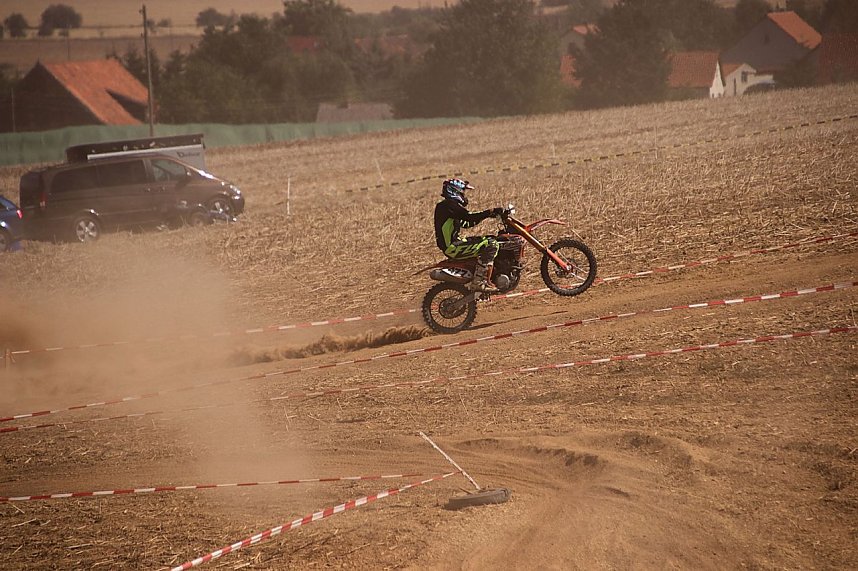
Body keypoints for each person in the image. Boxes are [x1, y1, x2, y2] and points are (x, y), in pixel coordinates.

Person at [434, 178, 505, 292]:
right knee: (491, 244)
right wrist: (489, 212)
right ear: (455, 191)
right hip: (452, 247)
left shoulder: (449, 207)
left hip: (455, 244)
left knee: (490, 239)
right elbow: (469, 216)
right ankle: (479, 282)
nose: (464, 195)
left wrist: (487, 216)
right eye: (463, 191)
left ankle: (488, 275)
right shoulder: (448, 206)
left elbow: (467, 223)